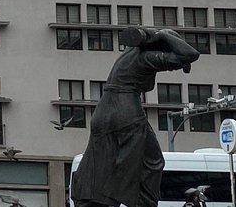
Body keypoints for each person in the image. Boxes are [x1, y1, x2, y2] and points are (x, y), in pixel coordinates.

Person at [71, 27, 200, 207]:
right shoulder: (146, 58)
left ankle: (90, 200)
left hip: (103, 112)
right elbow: (190, 54)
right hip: (126, 111)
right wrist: (163, 35)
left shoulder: (129, 54)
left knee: (99, 161)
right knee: (153, 162)